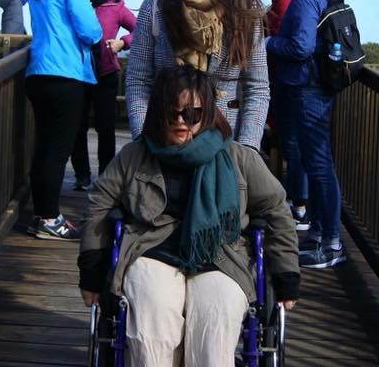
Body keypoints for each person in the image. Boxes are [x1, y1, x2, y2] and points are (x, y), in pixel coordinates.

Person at [79, 65, 299, 366]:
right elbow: (99, 205)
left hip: (221, 256)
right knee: (151, 329)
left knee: (214, 332)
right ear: (158, 111)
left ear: (207, 113)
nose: (183, 122)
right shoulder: (134, 155)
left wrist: (287, 277)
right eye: (173, 113)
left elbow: (276, 210)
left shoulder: (238, 157)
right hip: (150, 250)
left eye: (193, 114)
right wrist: (91, 273)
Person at [126, 0, 269, 152]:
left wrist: (249, 147)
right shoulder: (156, 10)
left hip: (226, 142)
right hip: (165, 138)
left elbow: (257, 87)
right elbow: (138, 80)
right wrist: (141, 140)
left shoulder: (245, 14)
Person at [265, 0, 346, 269]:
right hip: (319, 87)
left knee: (320, 165)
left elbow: (299, 47)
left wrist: (266, 44)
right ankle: (319, 233)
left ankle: (330, 243)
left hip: (306, 88)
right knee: (318, 163)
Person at [25, 0, 103, 241]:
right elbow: (91, 31)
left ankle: (42, 214)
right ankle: (50, 218)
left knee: (43, 148)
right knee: (57, 152)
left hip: (37, 72)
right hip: (66, 75)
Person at [70, 0, 137, 190]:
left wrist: (122, 43)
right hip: (78, 74)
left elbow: (139, 30)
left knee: (105, 127)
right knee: (77, 126)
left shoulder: (116, 6)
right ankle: (81, 176)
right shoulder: (77, 2)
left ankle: (105, 177)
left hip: (106, 75)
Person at [266, 0, 309, 231]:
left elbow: (288, 41)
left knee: (292, 144)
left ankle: (299, 205)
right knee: (298, 146)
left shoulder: (286, 2)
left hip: (286, 81)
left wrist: (268, 41)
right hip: (303, 82)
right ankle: (300, 203)